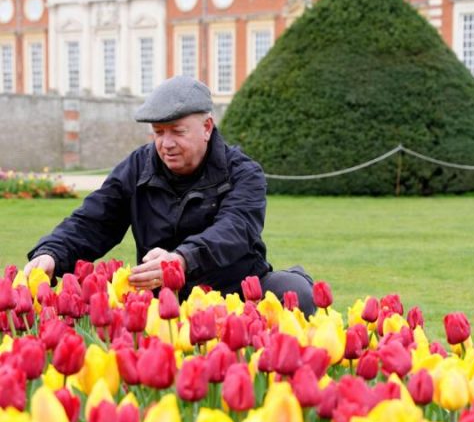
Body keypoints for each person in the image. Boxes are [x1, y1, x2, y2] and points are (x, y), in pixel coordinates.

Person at [24, 75, 315, 314]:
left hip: (234, 292)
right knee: (90, 302)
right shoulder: (137, 167)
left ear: (206, 127)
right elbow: (93, 220)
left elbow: (235, 229)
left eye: (177, 131)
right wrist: (51, 253)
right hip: (160, 299)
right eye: (158, 132)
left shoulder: (244, 173)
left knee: (295, 292)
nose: (166, 144)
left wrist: (182, 260)